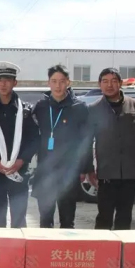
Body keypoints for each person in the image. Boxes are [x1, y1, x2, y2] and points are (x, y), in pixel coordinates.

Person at [86, 67, 135, 230]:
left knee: (125, 216)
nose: (109, 85)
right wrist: (89, 170)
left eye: (114, 81)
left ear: (120, 83)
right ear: (100, 84)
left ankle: (122, 245)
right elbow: (86, 142)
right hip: (106, 173)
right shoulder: (93, 109)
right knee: (104, 217)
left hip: (130, 173)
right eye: (105, 81)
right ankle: (103, 245)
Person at [0, 62, 39, 228]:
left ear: (15, 82)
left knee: (19, 219)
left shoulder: (26, 111)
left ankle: (18, 245)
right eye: (0, 80)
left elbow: (34, 139)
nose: (3, 84)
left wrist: (22, 160)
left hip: (19, 170)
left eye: (8, 80)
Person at [31, 65, 90, 228]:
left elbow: (85, 140)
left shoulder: (79, 107)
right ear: (48, 83)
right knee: (45, 221)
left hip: (68, 172)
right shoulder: (41, 107)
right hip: (46, 171)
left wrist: (85, 169)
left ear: (68, 82)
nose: (58, 86)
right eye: (54, 81)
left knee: (67, 221)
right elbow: (31, 135)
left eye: (62, 81)